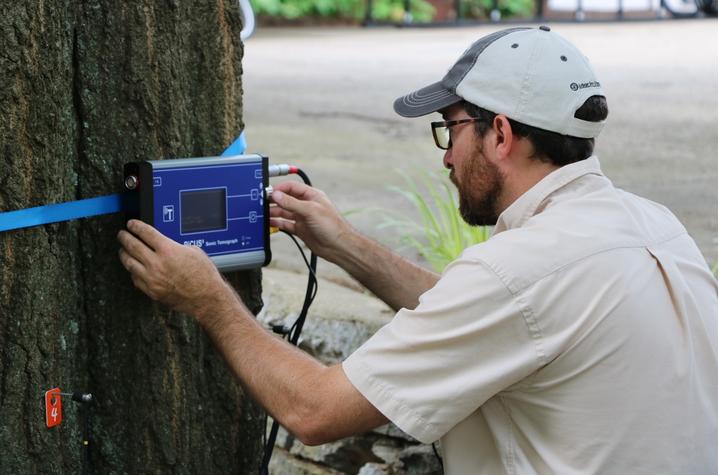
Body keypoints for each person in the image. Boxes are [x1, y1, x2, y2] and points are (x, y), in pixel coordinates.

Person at [117, 26, 718, 473]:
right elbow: (489, 313)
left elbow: (313, 411)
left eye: (451, 129)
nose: (447, 157)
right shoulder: (654, 227)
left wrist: (208, 298)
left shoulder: (518, 273)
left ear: (501, 135)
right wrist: (345, 245)